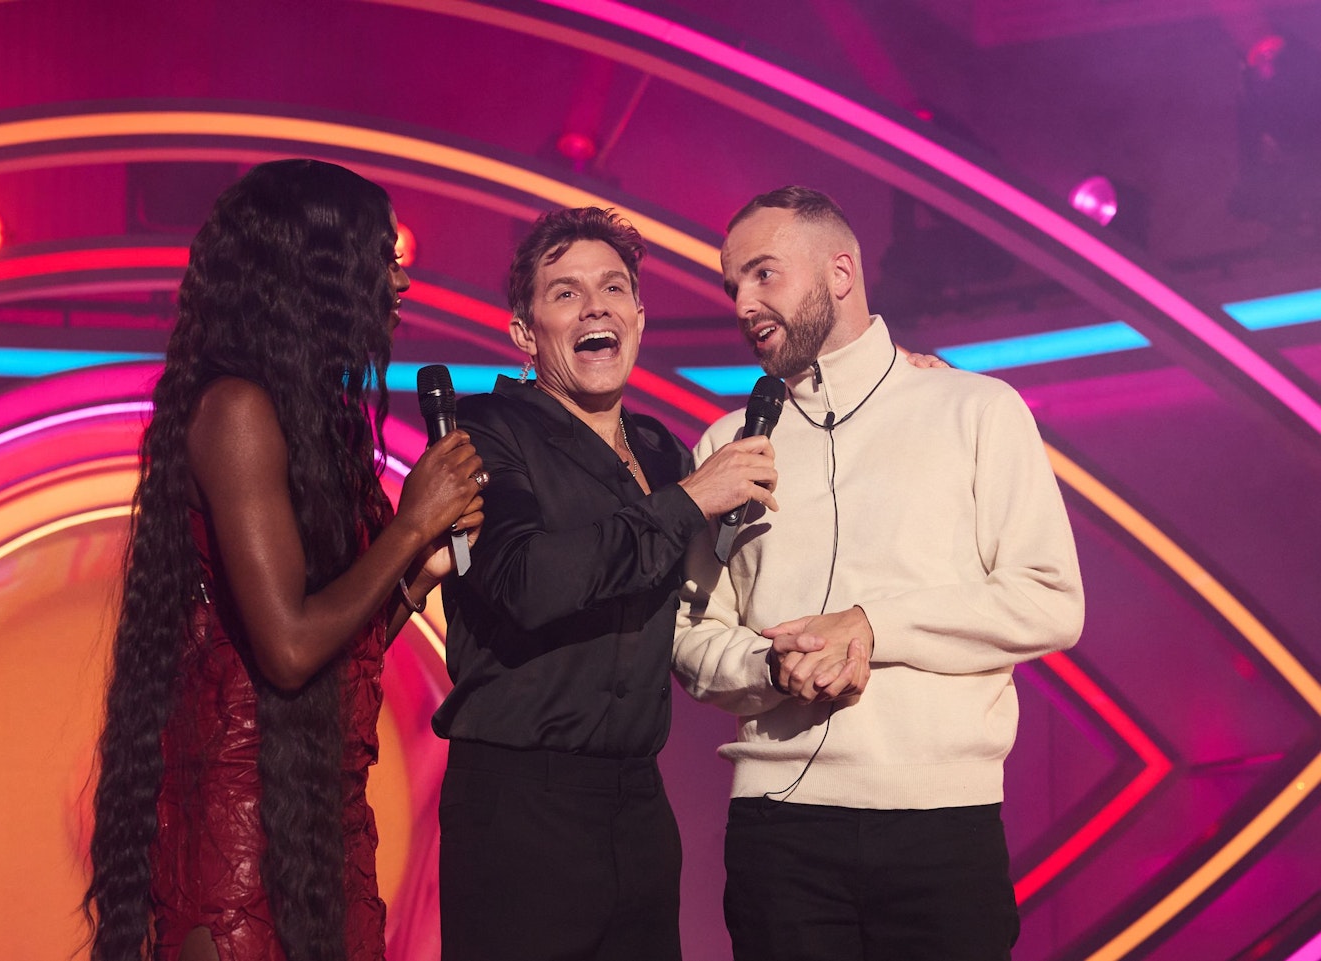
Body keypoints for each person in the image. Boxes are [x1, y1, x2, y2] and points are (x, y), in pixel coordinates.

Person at [83, 159, 486, 961]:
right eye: (381, 257)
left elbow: (331, 647)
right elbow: (290, 648)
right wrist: (407, 530)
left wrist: (413, 580)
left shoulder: (314, 419)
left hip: (317, 816)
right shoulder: (236, 409)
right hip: (243, 825)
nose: (399, 283)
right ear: (319, 272)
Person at [672, 186, 1085, 961]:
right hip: (778, 835)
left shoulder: (975, 407)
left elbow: (1050, 599)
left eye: (764, 274)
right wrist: (772, 661)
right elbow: (691, 634)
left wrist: (873, 625)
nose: (744, 304)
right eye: (733, 287)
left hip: (942, 825)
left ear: (840, 272)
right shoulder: (727, 441)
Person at [430, 206, 780, 961]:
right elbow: (525, 580)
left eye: (613, 288)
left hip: (637, 806)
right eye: (565, 292)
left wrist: (901, 378)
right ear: (525, 333)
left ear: (639, 318)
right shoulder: (485, 430)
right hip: (520, 809)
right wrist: (687, 501)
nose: (595, 306)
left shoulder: (659, 449)